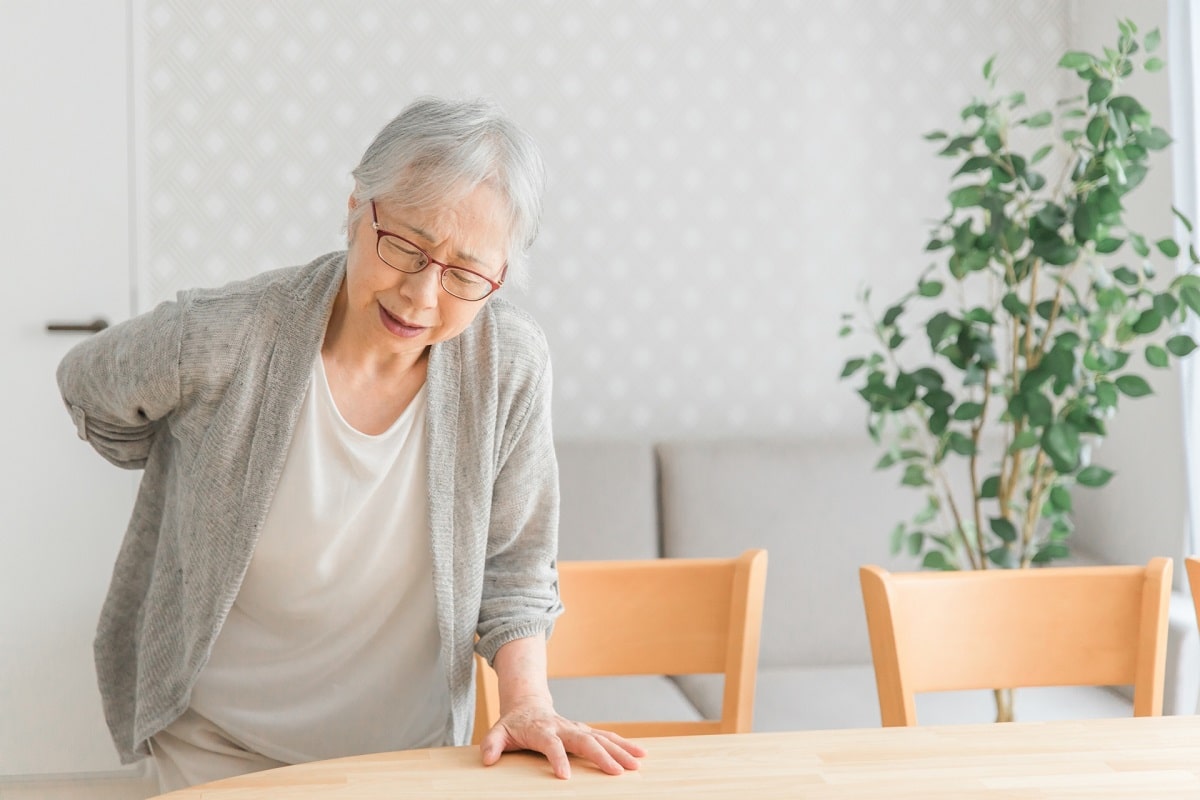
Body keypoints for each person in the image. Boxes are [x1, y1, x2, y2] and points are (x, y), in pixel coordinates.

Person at [57, 96, 645, 792]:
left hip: (409, 752)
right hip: (218, 743)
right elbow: (86, 382)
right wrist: (186, 461)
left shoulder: (509, 365)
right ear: (356, 208)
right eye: (405, 245)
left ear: (500, 278)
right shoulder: (227, 334)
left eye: (464, 272)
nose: (423, 294)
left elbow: (515, 564)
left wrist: (528, 704)